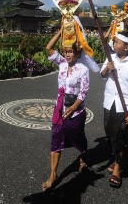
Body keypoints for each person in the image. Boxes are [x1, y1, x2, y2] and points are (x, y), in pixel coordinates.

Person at [42, 28, 92, 191]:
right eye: (66, 51)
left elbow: (83, 91)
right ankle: (53, 173)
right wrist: (61, 31)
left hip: (76, 111)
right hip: (60, 109)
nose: (68, 54)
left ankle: (83, 155)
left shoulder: (83, 69)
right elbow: (49, 48)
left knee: (78, 138)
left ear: (78, 54)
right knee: (55, 139)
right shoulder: (62, 63)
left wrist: (73, 107)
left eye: (71, 52)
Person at [101, 31, 128, 188]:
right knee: (110, 134)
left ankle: (117, 169)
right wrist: (107, 68)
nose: (114, 44)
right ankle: (118, 159)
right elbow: (102, 75)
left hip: (124, 105)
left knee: (119, 136)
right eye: (114, 42)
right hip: (109, 103)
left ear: (126, 47)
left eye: (117, 42)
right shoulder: (110, 57)